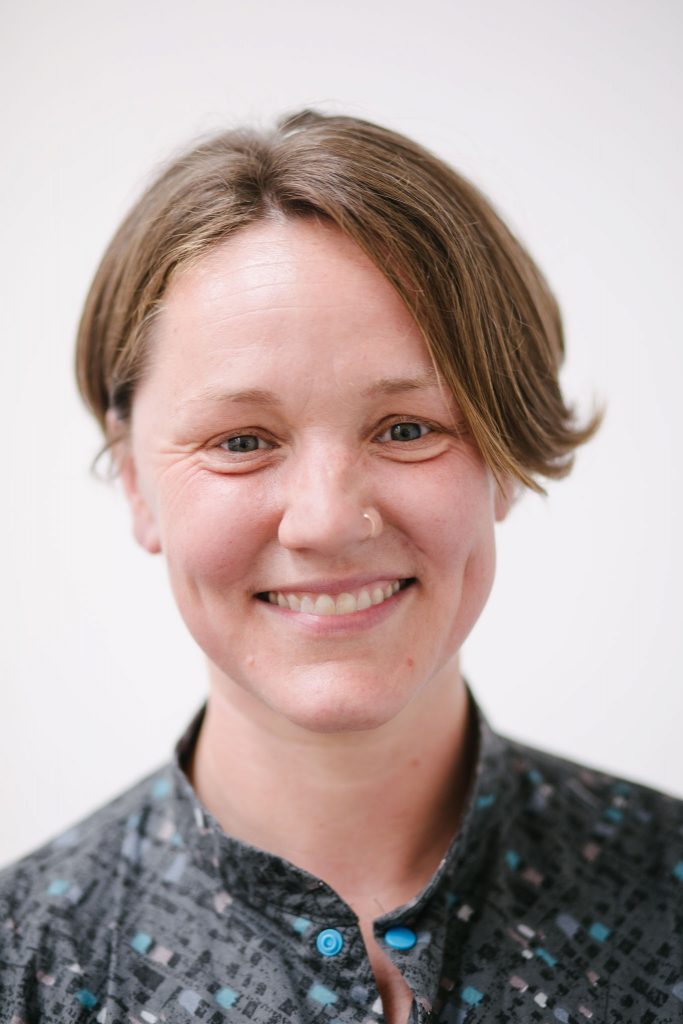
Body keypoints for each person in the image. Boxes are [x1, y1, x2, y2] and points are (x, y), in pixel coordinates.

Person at [1, 109, 681, 1024]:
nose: (325, 521)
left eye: (407, 429)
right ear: (133, 481)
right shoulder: (22, 965)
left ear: (503, 458)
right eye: (241, 440)